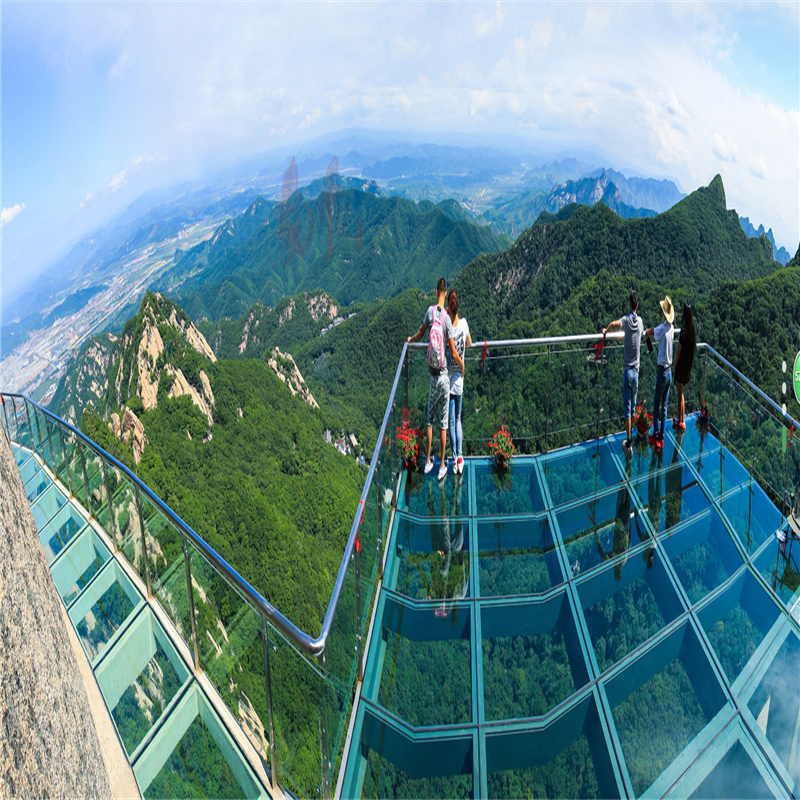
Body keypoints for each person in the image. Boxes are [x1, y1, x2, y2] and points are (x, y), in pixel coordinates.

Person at [408, 277, 464, 481]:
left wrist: (411, 340)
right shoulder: (447, 318)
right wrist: (462, 365)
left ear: (435, 292)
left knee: (429, 420)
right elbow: (452, 348)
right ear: (445, 292)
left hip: (433, 376)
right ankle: (442, 465)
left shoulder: (430, 312)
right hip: (445, 377)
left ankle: (429, 460)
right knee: (444, 422)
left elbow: (421, 333)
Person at [602, 290, 644, 458]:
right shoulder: (639, 322)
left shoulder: (626, 321)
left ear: (629, 304)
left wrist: (606, 330)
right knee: (633, 408)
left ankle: (628, 442)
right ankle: (631, 437)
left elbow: (613, 323)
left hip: (627, 371)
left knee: (627, 411)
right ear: (637, 305)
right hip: (637, 371)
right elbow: (641, 333)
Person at [446, 290, 472, 475]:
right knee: (458, 419)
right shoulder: (463, 324)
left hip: (448, 379)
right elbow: (469, 344)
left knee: (451, 422)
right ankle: (461, 456)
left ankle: (454, 459)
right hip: (459, 381)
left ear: (449, 307)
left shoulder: (448, 328)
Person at [646, 295, 675, 450]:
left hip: (663, 371)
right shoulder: (671, 329)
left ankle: (656, 434)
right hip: (670, 371)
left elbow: (652, 332)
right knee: (664, 406)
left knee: (656, 404)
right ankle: (662, 436)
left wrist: (644, 332)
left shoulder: (663, 328)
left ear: (665, 314)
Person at [672, 303, 696, 431]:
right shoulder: (692, 331)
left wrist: (674, 367)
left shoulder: (684, 331)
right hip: (688, 367)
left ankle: (680, 421)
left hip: (681, 365)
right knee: (681, 393)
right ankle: (682, 419)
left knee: (679, 393)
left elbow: (679, 352)